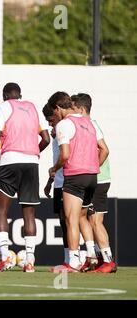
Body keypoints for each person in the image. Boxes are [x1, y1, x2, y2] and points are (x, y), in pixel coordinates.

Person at [0, 83, 50, 272]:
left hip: (10, 161)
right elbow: (46, 138)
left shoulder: (3, 107)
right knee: (29, 214)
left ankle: (5, 256)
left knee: (0, 210)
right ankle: (29, 261)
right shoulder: (34, 108)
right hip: (31, 163)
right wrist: (33, 152)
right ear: (20, 95)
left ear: (5, 95)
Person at [48, 93, 108, 272]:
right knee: (83, 217)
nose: (54, 117)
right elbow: (104, 149)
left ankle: (73, 263)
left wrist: (54, 168)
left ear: (58, 109)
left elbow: (65, 155)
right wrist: (92, 166)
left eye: (54, 112)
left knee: (71, 219)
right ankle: (91, 257)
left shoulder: (64, 124)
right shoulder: (89, 122)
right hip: (92, 177)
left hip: (74, 176)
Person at [71, 93, 116, 273]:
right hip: (97, 179)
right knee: (87, 218)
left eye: (73, 109)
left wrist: (93, 168)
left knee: (96, 221)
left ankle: (108, 261)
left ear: (81, 110)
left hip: (99, 179)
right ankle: (98, 258)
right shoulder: (87, 126)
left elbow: (105, 150)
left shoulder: (91, 125)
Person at [42, 103, 69, 266]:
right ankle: (69, 258)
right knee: (64, 223)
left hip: (70, 182)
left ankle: (79, 257)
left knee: (72, 222)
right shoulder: (56, 134)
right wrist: (49, 182)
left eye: (51, 119)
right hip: (59, 183)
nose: (50, 124)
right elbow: (56, 163)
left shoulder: (66, 129)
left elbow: (66, 157)